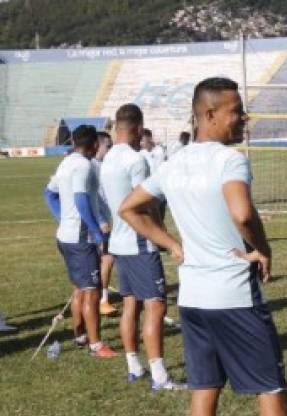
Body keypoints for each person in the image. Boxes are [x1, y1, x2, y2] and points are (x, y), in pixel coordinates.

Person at [119, 77, 287, 416]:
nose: (244, 118)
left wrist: (172, 245)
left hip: (194, 301)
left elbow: (129, 208)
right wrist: (263, 249)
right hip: (235, 297)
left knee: (203, 393)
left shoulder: (174, 164)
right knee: (272, 391)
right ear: (209, 114)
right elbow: (241, 212)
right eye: (237, 110)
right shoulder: (230, 160)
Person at [101, 103, 183, 390]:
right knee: (156, 305)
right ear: (136, 128)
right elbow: (144, 201)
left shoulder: (108, 158)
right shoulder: (135, 160)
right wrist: (165, 237)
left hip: (120, 243)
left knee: (130, 305)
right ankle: (160, 374)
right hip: (139, 242)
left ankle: (134, 365)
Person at [43, 125, 117, 357]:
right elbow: (81, 200)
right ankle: (96, 345)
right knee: (91, 291)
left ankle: (81, 336)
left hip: (66, 236)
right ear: (94, 144)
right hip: (80, 239)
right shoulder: (84, 166)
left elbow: (49, 193)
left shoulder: (66, 162)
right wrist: (96, 233)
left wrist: (61, 217)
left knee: (80, 289)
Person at [94, 131, 118, 316]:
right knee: (106, 260)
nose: (110, 150)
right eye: (107, 146)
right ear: (97, 145)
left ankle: (101, 298)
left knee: (106, 260)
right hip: (98, 224)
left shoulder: (105, 165)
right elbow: (92, 198)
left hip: (107, 221)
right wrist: (101, 220)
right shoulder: (92, 167)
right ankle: (102, 299)